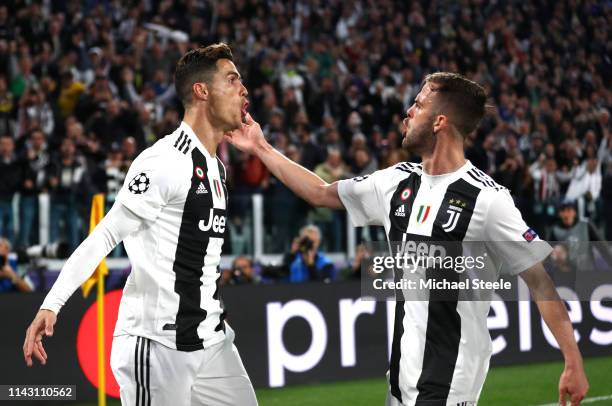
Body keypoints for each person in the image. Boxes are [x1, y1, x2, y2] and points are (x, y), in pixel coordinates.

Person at [225, 72, 588, 405]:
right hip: (401, 375)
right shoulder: (395, 182)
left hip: (451, 377)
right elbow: (321, 192)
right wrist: (261, 148)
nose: (409, 111)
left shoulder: (488, 200)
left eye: (419, 104)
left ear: (440, 122)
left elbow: (540, 281)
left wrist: (572, 360)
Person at [23, 43, 257, 406]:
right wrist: (51, 304)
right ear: (202, 91)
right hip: (158, 344)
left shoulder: (217, 167)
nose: (243, 89)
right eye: (232, 79)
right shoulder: (163, 161)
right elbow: (104, 236)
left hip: (212, 341)